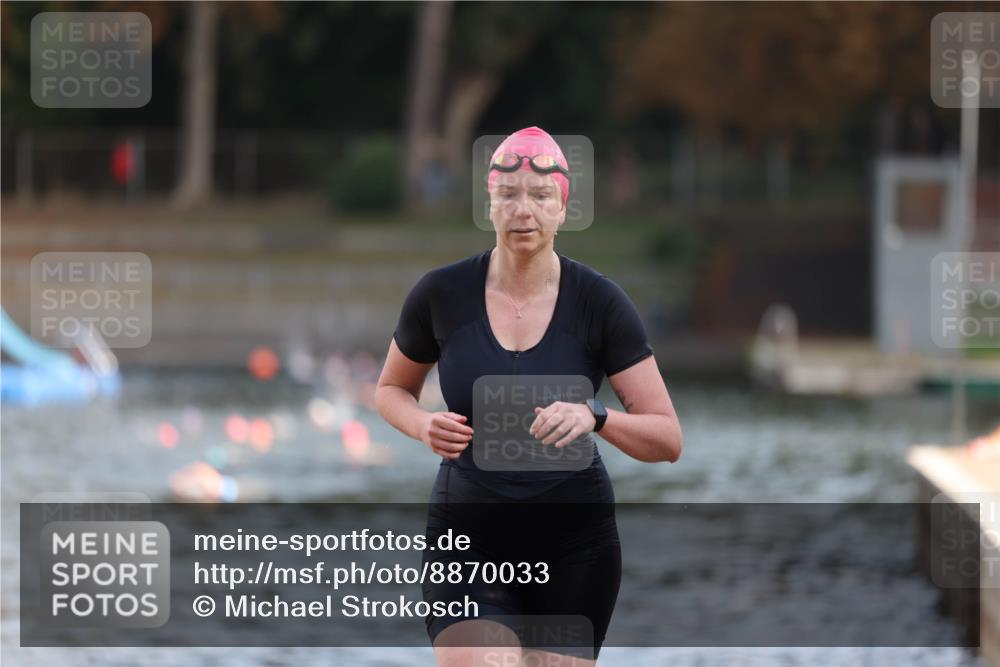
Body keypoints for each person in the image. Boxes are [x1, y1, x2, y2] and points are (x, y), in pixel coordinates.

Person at [375, 126, 682, 666]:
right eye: (509, 195)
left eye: (541, 197)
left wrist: (596, 415)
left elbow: (667, 438)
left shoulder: (600, 303)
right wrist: (423, 424)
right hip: (468, 538)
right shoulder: (441, 295)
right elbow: (391, 390)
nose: (524, 211)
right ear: (488, 204)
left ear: (563, 208)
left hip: (574, 547)